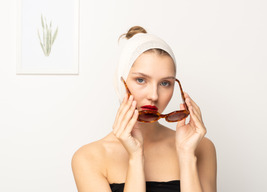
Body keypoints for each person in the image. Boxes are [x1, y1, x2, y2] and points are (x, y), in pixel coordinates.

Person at [72, 26, 217, 192]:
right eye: (141, 80)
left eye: (165, 83)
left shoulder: (201, 147)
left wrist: (186, 156)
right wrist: (135, 158)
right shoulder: (88, 158)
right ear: (121, 82)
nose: (154, 95)